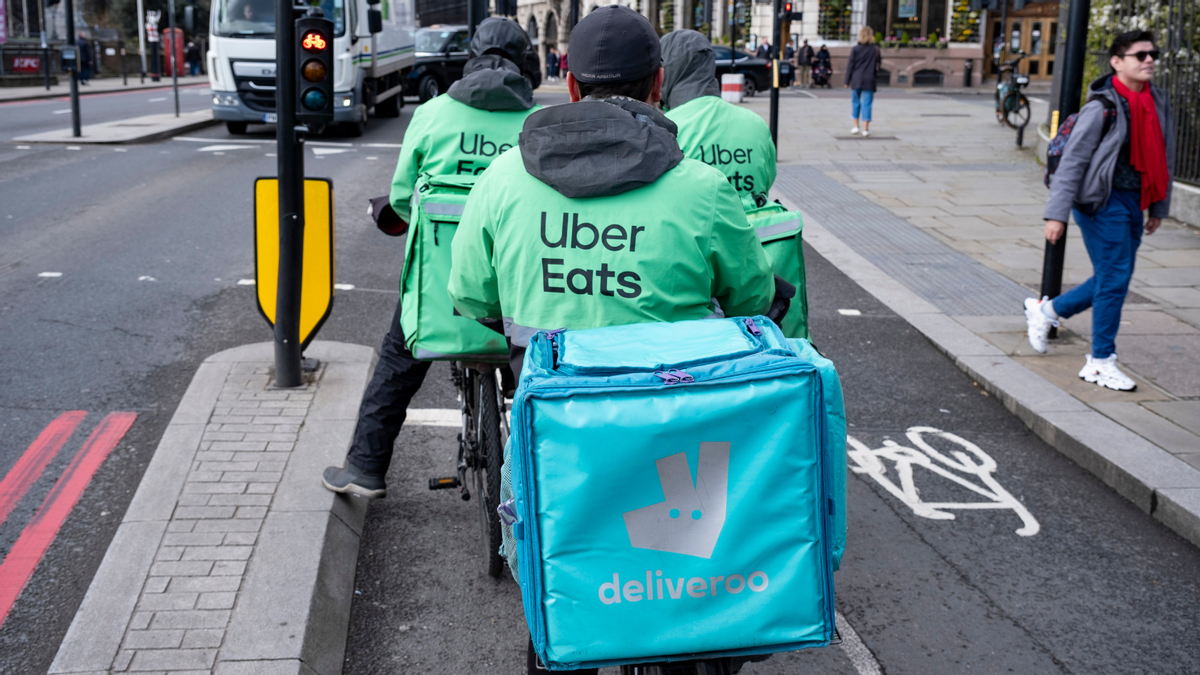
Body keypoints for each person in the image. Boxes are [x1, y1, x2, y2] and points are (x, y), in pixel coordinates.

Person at [447, 13, 780, 667]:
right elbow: (753, 299)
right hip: (675, 434)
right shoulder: (702, 189)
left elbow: (470, 294)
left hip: (563, 436)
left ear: (569, 85)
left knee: (556, 586)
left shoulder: (503, 181)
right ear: (659, 85)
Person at [321, 17, 542, 498]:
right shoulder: (536, 121)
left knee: (399, 359)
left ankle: (366, 468)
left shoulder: (434, 113)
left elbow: (402, 200)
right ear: (526, 64)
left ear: (471, 58)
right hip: (516, 293)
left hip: (443, 288)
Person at [1025, 30, 1174, 391]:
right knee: (1115, 279)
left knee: (1113, 278)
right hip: (1101, 203)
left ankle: (1047, 311)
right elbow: (1072, 162)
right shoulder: (1102, 107)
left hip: (1135, 201)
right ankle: (1100, 362)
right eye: (1140, 55)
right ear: (1117, 62)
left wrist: (1158, 206)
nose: (1149, 60)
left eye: (1152, 54)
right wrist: (1056, 214)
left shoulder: (1156, 103)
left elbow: (1163, 158)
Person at [660, 29, 776, 206]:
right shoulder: (756, 124)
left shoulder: (667, 129)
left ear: (667, 71)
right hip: (755, 230)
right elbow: (766, 182)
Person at [844, 26, 881, 137]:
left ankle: (856, 126)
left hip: (857, 79)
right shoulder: (875, 49)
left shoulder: (855, 49)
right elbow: (878, 64)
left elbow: (850, 65)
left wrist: (847, 80)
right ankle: (866, 129)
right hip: (869, 79)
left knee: (855, 102)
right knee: (867, 104)